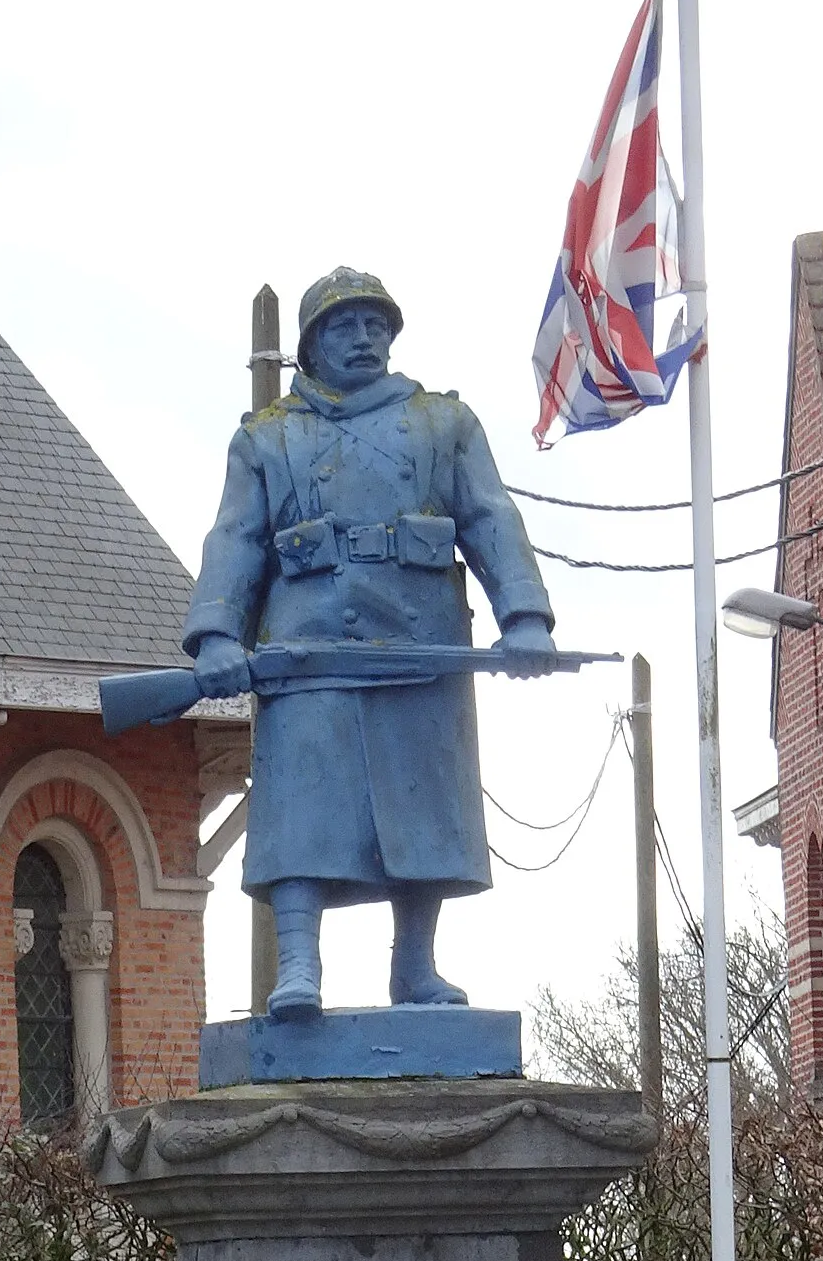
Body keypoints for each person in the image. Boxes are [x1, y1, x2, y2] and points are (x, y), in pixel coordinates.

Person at [185, 267, 557, 1018]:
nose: (364, 338)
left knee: (425, 814)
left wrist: (525, 616)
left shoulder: (442, 424)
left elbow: (490, 518)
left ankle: (415, 967)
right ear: (311, 344)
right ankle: (297, 966)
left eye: (376, 325)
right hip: (307, 653)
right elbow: (236, 539)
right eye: (345, 326)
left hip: (421, 649)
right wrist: (217, 634)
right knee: (303, 810)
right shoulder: (267, 437)